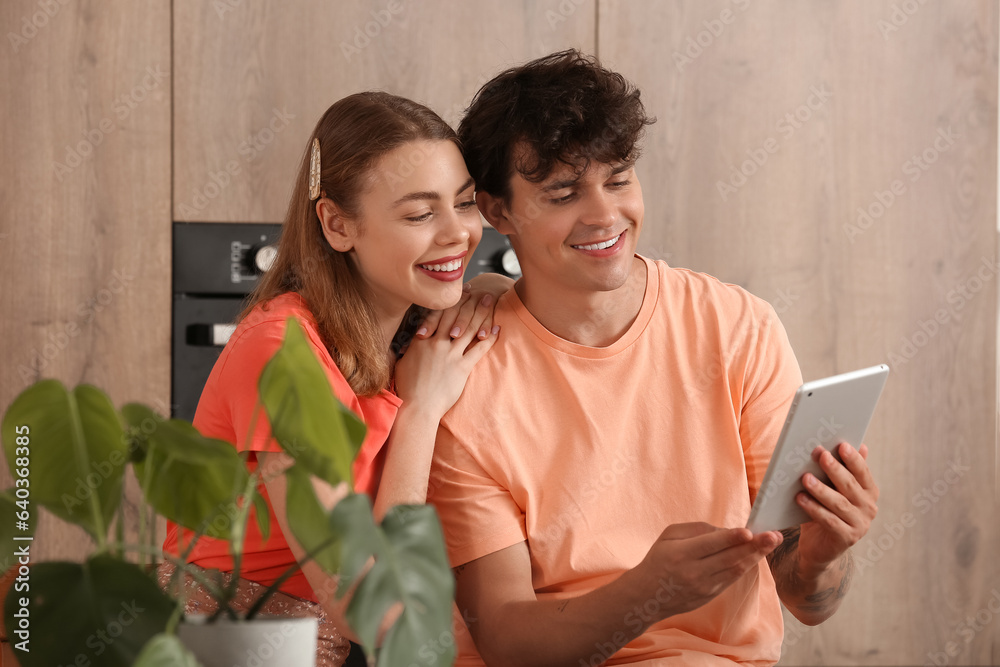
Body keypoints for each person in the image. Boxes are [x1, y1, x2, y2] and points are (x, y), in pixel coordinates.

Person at [427, 50, 880, 666]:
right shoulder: (463, 375)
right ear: (497, 210)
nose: (605, 214)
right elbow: (506, 640)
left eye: (618, 179)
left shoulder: (737, 327)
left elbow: (807, 601)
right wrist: (646, 594)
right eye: (563, 192)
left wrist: (825, 551)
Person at [160, 92, 511, 666]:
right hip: (245, 643)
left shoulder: (407, 319)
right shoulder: (281, 353)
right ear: (338, 224)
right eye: (420, 214)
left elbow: (496, 293)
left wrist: (496, 291)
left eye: (465, 203)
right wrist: (421, 411)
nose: (459, 234)